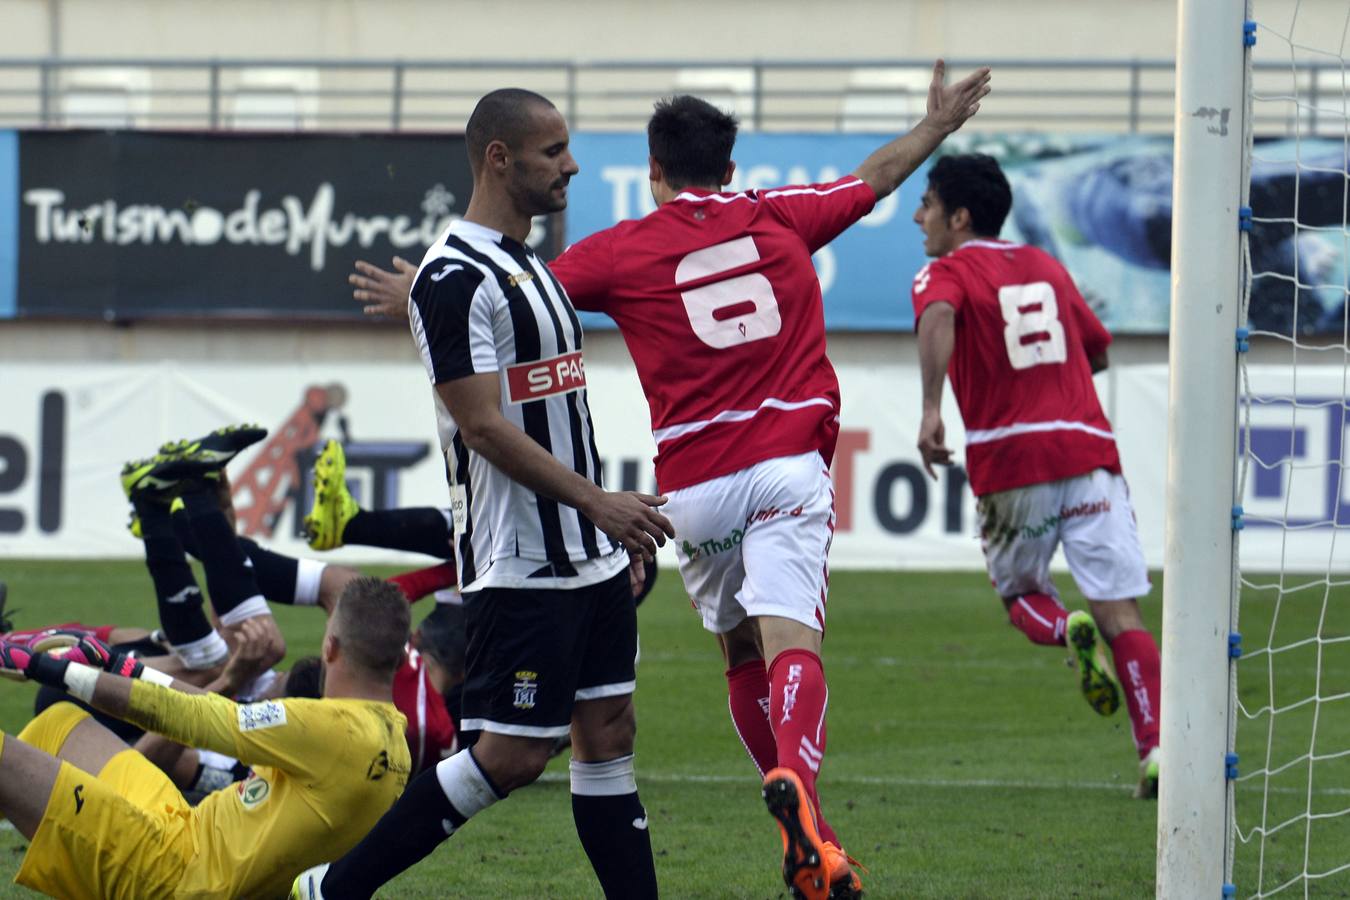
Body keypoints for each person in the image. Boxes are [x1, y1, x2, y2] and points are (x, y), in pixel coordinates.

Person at [348, 59, 989, 900]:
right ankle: (803, 800)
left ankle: (815, 842)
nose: (571, 166)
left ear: (653, 171)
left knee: (726, 660)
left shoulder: (615, 252)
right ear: (730, 169)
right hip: (781, 465)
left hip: (692, 491)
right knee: (789, 642)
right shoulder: (776, 215)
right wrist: (936, 126)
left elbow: (518, 293)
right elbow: (870, 181)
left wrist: (417, 298)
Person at [292, 87, 673, 900]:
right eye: (553, 152)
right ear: (499, 159)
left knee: (608, 735)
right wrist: (601, 502)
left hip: (589, 556)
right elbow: (483, 428)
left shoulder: (524, 265)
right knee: (511, 756)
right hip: (524, 561)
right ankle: (333, 889)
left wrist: (601, 526)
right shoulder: (457, 276)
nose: (570, 166)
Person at [909, 152, 1162, 797]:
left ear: (959, 217)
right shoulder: (1048, 266)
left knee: (1021, 595)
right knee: (1122, 612)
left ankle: (1064, 629)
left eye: (929, 206)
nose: (919, 217)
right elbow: (1097, 349)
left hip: (1011, 457)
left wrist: (933, 407)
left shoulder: (945, 271)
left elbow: (938, 315)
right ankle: (1156, 749)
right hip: (1087, 450)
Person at [0, 575, 412, 899]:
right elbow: (218, 714)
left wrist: (57, 671)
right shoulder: (395, 743)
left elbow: (202, 719)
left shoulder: (333, 728)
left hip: (171, 874)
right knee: (60, 724)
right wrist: (118, 666)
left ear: (330, 646)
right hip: (185, 831)